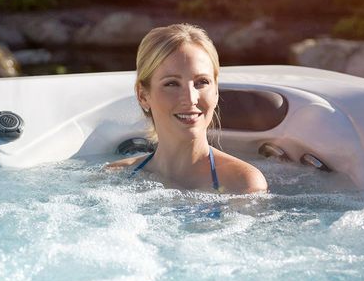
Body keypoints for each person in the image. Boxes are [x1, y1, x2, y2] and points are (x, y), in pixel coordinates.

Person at [109, 23, 268, 194]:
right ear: (143, 95)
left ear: (215, 91)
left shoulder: (243, 183)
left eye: (202, 82)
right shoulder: (116, 177)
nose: (191, 98)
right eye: (172, 83)